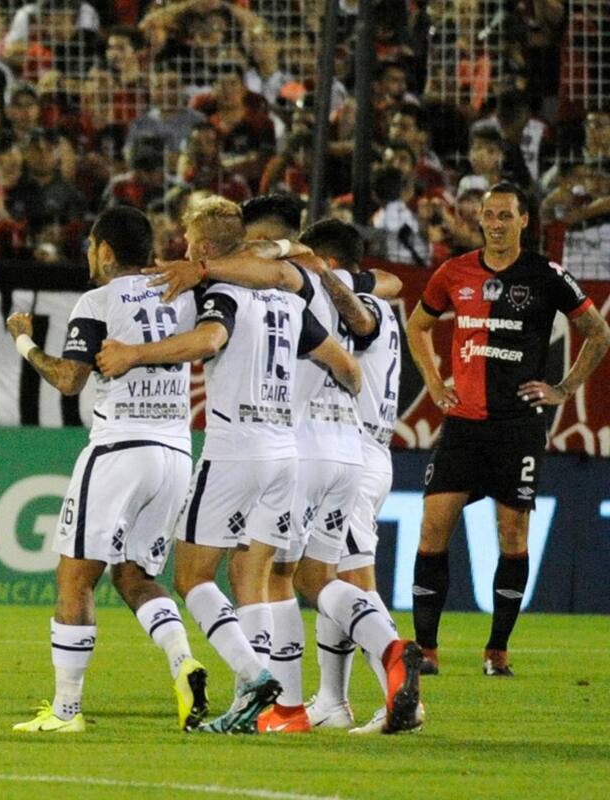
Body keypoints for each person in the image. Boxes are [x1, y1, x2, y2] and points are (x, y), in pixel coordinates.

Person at [96, 196, 365, 734]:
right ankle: (258, 703)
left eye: (188, 243)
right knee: (253, 576)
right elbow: (350, 372)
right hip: (285, 455)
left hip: (235, 449)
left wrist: (133, 354)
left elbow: (210, 338)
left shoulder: (220, 291)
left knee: (192, 576)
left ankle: (253, 677)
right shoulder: (289, 301)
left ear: (201, 247)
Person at [7, 206, 215, 734]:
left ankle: (66, 711)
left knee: (74, 578)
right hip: (176, 453)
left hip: (120, 448)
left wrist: (23, 341)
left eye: (90, 247)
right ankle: (183, 662)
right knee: (135, 577)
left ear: (104, 250)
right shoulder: (184, 294)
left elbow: (69, 380)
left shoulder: (98, 301)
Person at [406, 182, 610, 677]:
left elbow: (598, 332)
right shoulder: (454, 272)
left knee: (512, 535)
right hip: (463, 426)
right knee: (433, 528)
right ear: (479, 219)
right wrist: (433, 382)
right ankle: (426, 650)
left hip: (518, 427)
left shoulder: (547, 275)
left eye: (505, 216)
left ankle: (497, 651)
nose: (496, 224)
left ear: (523, 221)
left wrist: (564, 388)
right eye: (489, 215)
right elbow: (417, 326)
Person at [296, 220, 407, 734]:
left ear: (329, 265)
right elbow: (388, 281)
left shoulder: (364, 309)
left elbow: (368, 306)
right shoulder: (373, 300)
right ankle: (331, 701)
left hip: (354, 453)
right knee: (332, 579)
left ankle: (401, 696)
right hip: (367, 452)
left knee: (356, 585)